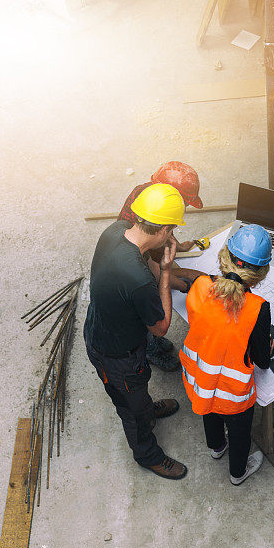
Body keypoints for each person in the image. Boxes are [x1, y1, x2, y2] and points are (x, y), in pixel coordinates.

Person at [84, 183, 189, 480]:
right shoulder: (139, 280)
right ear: (164, 230)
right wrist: (167, 272)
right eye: (172, 230)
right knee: (132, 409)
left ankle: (145, 406)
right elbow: (160, 328)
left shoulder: (115, 231)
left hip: (101, 326)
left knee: (137, 391)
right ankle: (147, 455)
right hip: (116, 354)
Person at [180, 224, 274, 485]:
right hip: (233, 393)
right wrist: (266, 347)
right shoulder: (258, 309)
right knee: (240, 432)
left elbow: (205, 325)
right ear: (260, 274)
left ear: (224, 258)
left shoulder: (199, 286)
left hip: (200, 379)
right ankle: (237, 473)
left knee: (209, 412)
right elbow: (262, 361)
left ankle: (216, 447)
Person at [119, 162, 204, 373]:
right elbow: (154, 273)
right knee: (147, 321)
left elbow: (166, 220)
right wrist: (182, 285)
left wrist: (178, 244)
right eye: (183, 203)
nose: (184, 208)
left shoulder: (151, 197)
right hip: (143, 274)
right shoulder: (136, 259)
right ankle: (151, 351)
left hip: (150, 255)